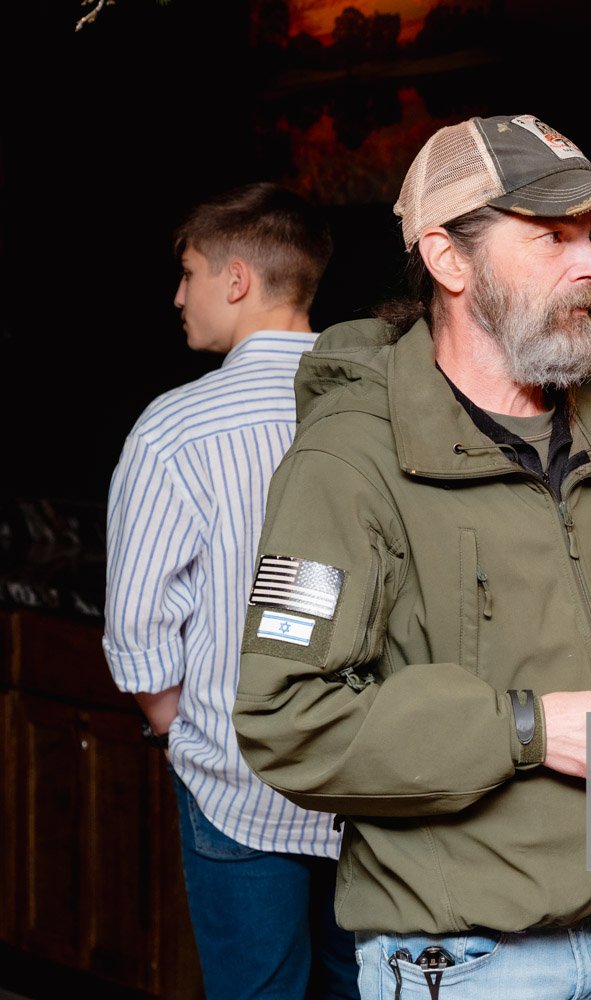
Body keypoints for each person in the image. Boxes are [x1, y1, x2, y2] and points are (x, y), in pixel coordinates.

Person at [232, 114, 591, 1000]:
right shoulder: (351, 457)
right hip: (463, 965)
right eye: (552, 238)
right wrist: (529, 731)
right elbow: (286, 721)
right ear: (448, 260)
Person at [103, 183, 356, 999]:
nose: (179, 295)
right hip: (373, 781)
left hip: (239, 781)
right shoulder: (382, 410)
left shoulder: (179, 426)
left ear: (237, 279)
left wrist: (184, 733)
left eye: (189, 273)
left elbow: (140, 625)